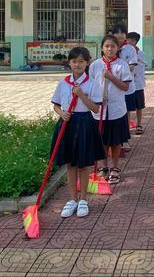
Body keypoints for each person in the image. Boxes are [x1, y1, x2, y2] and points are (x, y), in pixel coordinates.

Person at [50, 47, 104, 218]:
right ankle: (72, 199)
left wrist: (81, 94)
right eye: (74, 61)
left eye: (81, 61)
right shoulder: (63, 83)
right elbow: (56, 105)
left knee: (83, 164)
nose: (78, 64)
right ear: (69, 63)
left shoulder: (92, 84)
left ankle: (83, 200)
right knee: (70, 164)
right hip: (68, 124)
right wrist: (62, 113)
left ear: (87, 63)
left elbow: (95, 108)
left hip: (85, 123)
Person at [89, 35, 132, 184]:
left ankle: (115, 168)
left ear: (118, 48)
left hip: (116, 109)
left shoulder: (122, 65)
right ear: (102, 48)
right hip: (99, 110)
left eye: (113, 46)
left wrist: (111, 77)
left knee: (115, 141)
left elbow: (125, 87)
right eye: (107, 46)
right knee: (101, 141)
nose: (109, 49)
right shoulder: (94, 65)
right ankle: (102, 167)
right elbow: (90, 86)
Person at [109, 24, 138, 150]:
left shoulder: (130, 49)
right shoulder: (109, 47)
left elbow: (132, 65)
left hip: (126, 87)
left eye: (122, 34)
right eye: (117, 33)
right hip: (111, 89)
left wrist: (120, 71)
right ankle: (112, 139)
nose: (120, 36)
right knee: (111, 112)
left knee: (125, 113)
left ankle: (125, 138)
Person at [126, 32, 146, 135]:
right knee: (128, 107)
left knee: (139, 106)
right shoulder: (124, 52)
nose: (127, 41)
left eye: (129, 40)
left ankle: (139, 124)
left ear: (135, 41)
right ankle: (127, 126)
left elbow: (140, 68)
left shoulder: (140, 53)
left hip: (138, 84)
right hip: (128, 84)